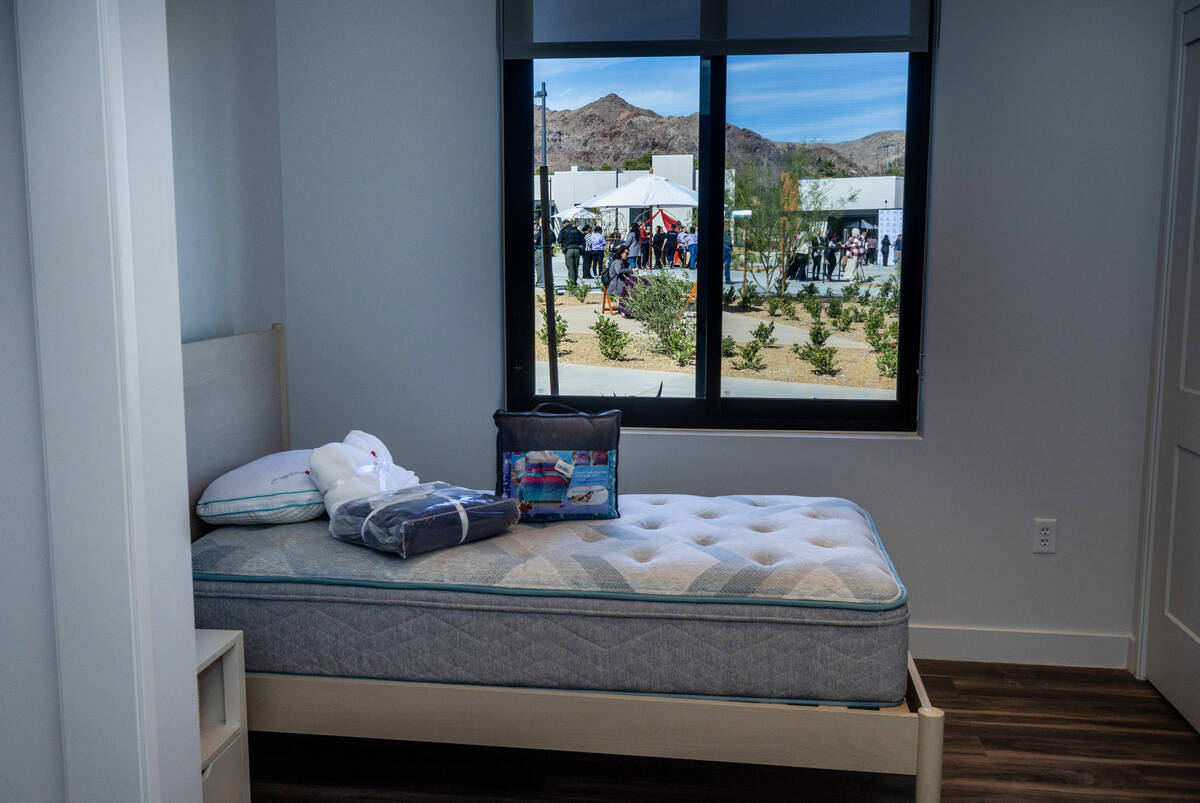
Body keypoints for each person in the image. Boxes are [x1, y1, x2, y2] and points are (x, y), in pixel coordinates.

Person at [558, 219, 584, 284]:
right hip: (577, 249)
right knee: (576, 266)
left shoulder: (563, 230)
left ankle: (572, 283)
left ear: (564, 224)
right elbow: (582, 240)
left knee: (570, 267)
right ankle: (575, 281)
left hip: (568, 250)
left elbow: (559, 240)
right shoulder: (577, 230)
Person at [533, 220, 554, 288]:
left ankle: (540, 282)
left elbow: (535, 240)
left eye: (539, 222)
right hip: (548, 250)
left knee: (539, 267)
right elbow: (554, 240)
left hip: (540, 250)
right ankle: (550, 281)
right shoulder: (550, 231)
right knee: (548, 266)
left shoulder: (540, 230)